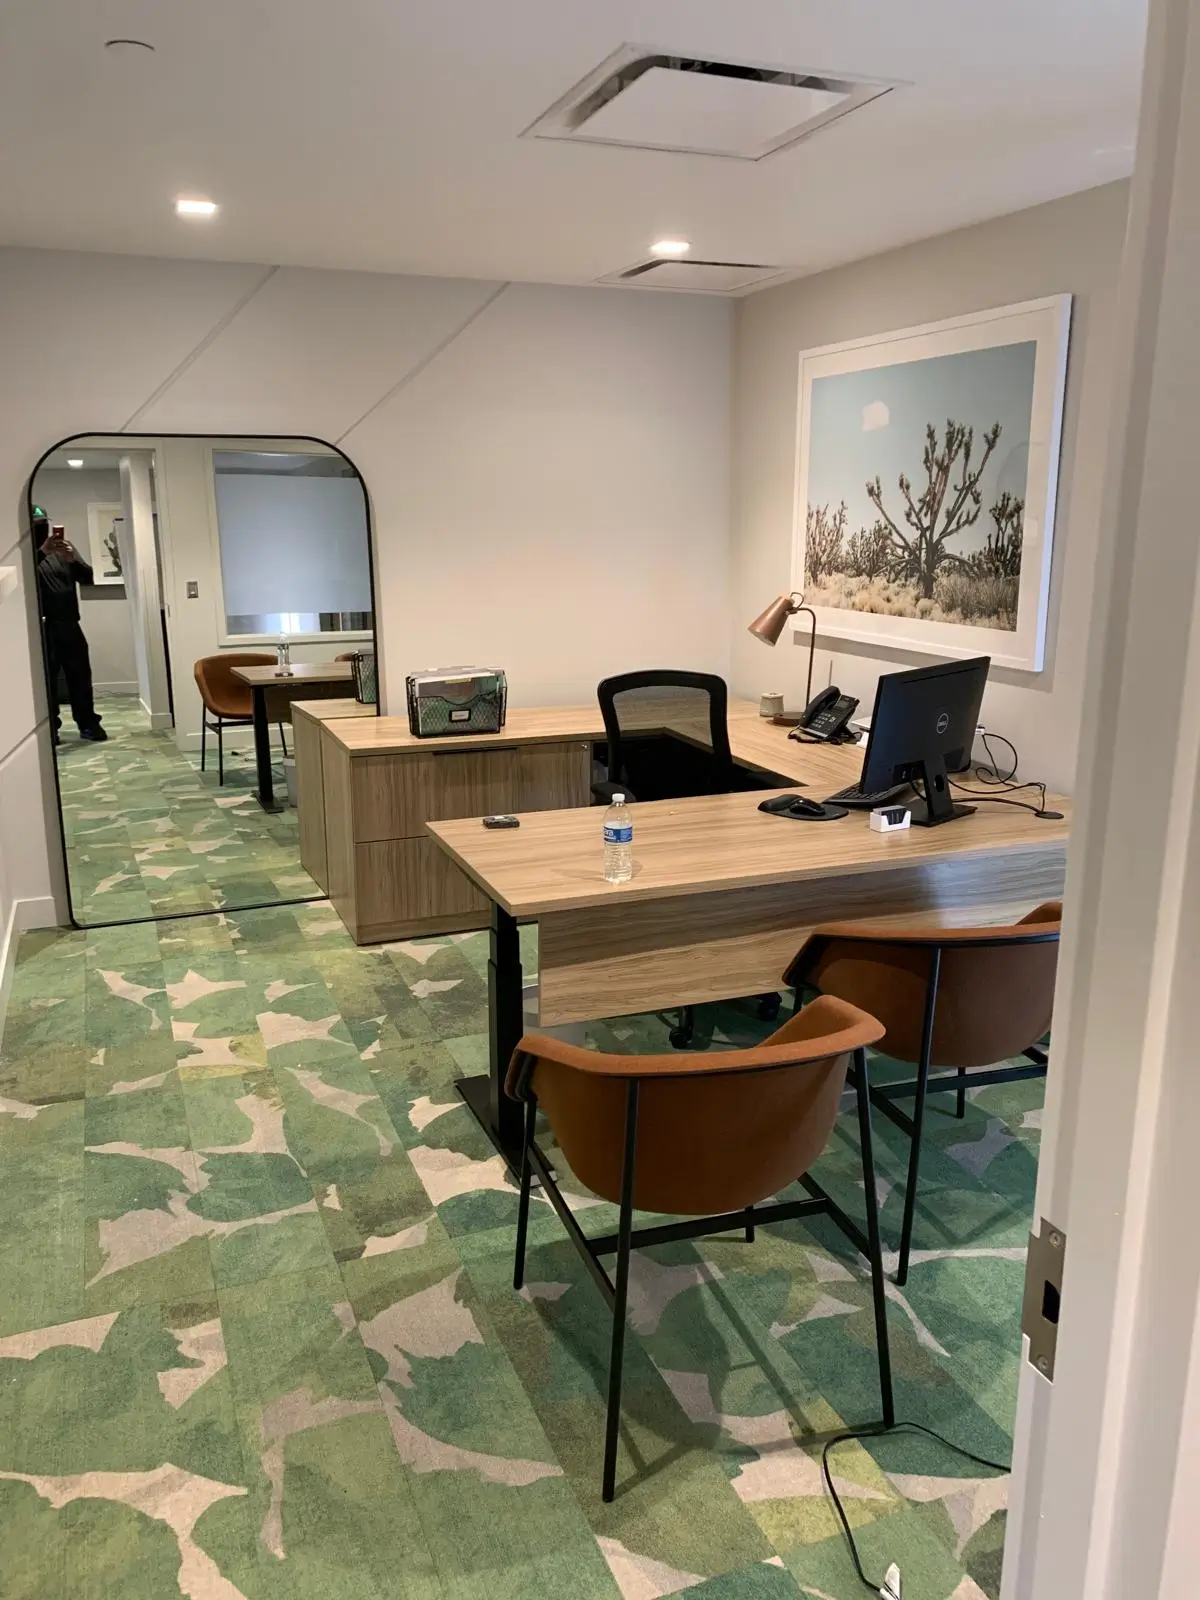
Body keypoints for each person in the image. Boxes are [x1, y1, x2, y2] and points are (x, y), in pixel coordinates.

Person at [32, 507, 107, 743]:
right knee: (47, 681)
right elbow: (23, 578)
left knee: (80, 677)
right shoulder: (25, 554)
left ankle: (88, 724)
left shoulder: (63, 550)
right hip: (42, 628)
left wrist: (72, 560)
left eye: (44, 524)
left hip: (70, 625)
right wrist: (41, 552)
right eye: (37, 525)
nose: (42, 529)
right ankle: (50, 728)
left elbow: (87, 578)